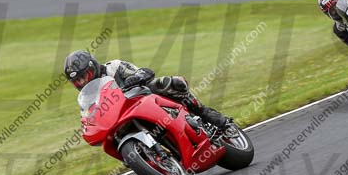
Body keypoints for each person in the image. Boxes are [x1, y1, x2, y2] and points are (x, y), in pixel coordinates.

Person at [64, 50, 230, 131]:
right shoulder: (86, 96)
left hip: (143, 99)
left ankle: (203, 112)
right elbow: (89, 116)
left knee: (168, 83)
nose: (81, 82)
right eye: (76, 80)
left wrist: (135, 78)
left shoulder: (113, 67)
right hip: (122, 118)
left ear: (92, 67)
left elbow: (144, 72)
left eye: (84, 76)